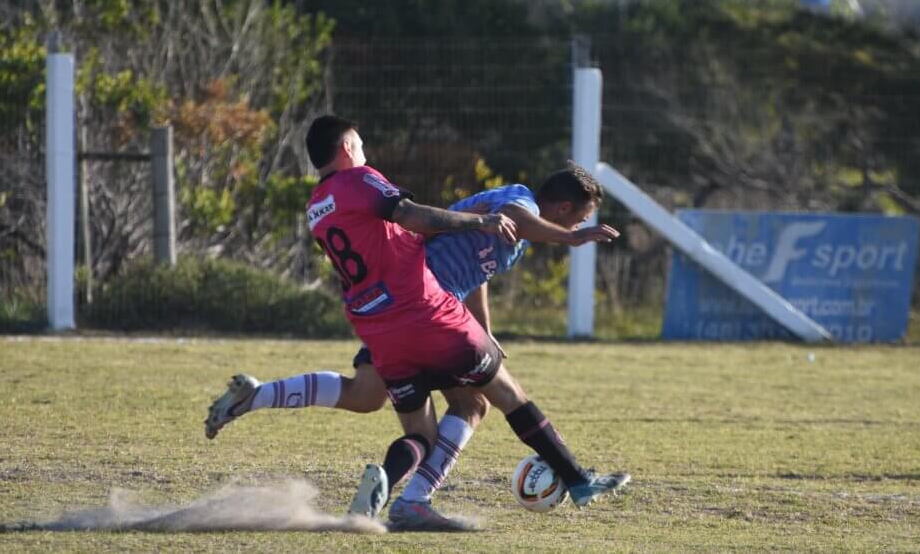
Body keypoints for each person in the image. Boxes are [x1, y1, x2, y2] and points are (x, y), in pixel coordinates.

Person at [204, 116, 629, 530]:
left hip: (384, 312)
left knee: (370, 396)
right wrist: (563, 236)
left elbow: (474, 276)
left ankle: (264, 400)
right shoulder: (515, 200)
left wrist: (486, 329)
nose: (577, 227)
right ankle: (566, 480)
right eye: (578, 219)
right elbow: (482, 215)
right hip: (425, 306)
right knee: (489, 398)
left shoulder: (319, 203)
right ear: (347, 147)